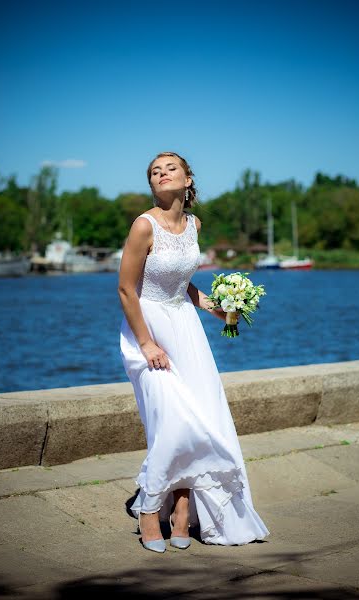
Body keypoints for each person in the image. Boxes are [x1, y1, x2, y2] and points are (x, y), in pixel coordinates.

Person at [118, 151, 270, 553]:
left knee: (202, 418)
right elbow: (125, 290)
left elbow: (182, 285)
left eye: (171, 168)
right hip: (147, 328)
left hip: (186, 328)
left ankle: (182, 509)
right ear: (152, 184)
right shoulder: (143, 226)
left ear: (188, 179)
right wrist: (147, 342)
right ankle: (150, 508)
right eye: (155, 171)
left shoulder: (193, 225)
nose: (162, 173)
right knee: (174, 420)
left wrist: (222, 310)